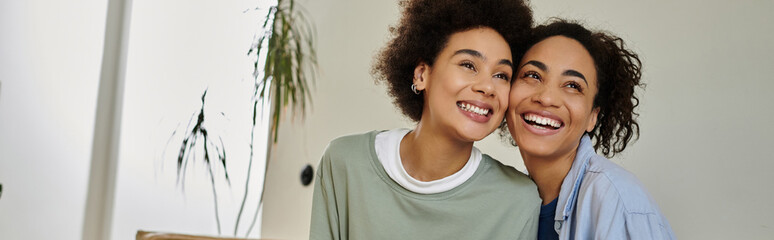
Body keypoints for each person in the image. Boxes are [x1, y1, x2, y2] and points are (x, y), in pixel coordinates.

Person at [309, 0, 539, 239]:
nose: (488, 87)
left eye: (501, 75)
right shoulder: (346, 162)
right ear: (421, 75)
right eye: (468, 65)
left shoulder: (517, 202)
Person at [503, 19, 676, 239]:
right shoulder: (512, 200)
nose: (546, 98)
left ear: (592, 116)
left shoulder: (616, 199)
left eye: (573, 86)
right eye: (533, 75)